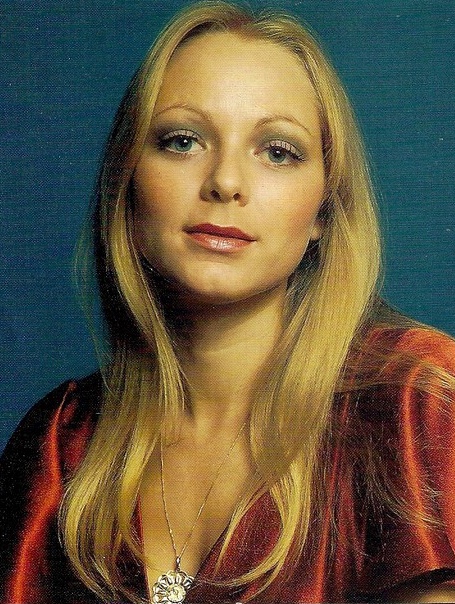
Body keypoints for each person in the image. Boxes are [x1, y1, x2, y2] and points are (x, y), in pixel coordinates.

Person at [1, 1, 455, 602]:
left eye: (278, 151)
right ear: (127, 178)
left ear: (325, 209)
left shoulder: (417, 400)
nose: (225, 182)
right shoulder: (61, 439)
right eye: (182, 141)